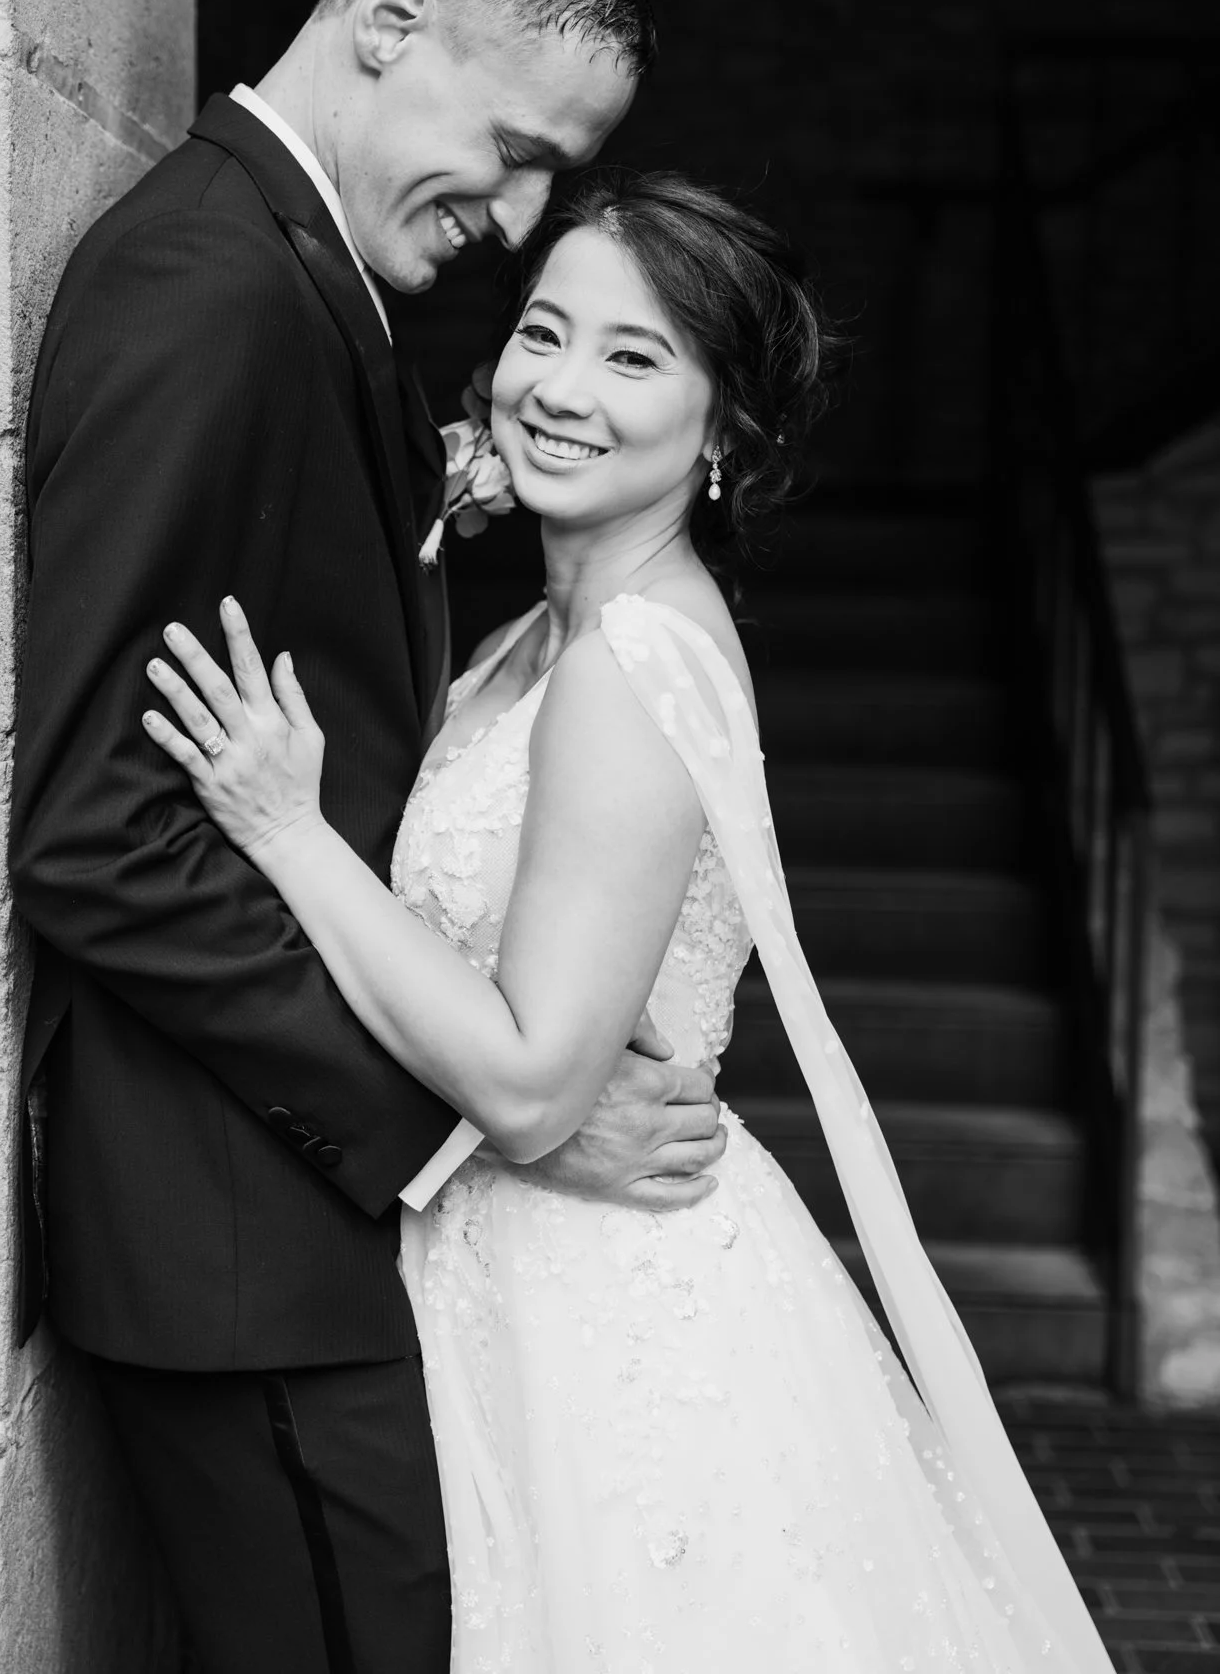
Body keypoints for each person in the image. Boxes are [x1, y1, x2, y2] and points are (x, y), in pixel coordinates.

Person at [145, 168, 1116, 1672]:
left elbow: (534, 1082)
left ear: (724, 428)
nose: (561, 388)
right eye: (544, 334)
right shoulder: (550, 632)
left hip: (605, 1309)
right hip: (509, 1273)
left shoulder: (629, 671)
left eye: (635, 355)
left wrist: (282, 827)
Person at [8, 0, 726, 1674]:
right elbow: (99, 834)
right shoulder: (211, 291)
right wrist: (470, 1128)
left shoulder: (302, 279)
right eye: (517, 148)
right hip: (236, 1238)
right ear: (392, 18)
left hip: (294, 1233)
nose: (523, 210)